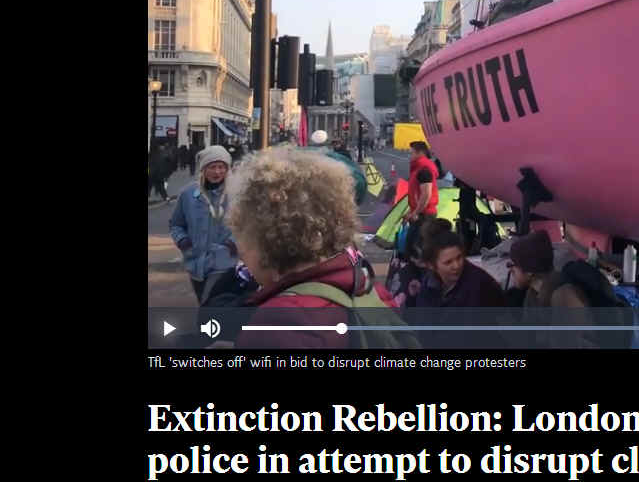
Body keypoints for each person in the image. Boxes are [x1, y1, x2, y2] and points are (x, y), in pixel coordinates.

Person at [226, 146, 402, 349]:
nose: (240, 250)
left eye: (243, 234)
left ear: (268, 240)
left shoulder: (280, 323)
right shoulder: (368, 288)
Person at [169, 145, 237, 302]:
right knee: (205, 303)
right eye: (212, 167)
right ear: (203, 169)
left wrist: (232, 243)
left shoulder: (235, 194)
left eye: (221, 167)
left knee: (209, 305)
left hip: (224, 264)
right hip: (195, 265)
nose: (217, 172)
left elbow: (248, 226)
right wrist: (183, 241)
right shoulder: (187, 194)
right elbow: (176, 224)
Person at [411, 231, 505, 308]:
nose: (456, 266)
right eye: (448, 262)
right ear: (431, 265)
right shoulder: (429, 283)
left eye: (459, 258)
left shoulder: (479, 285)